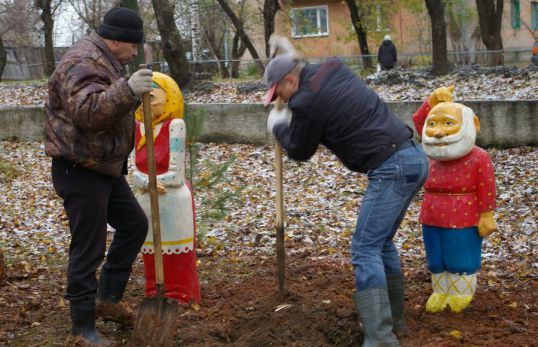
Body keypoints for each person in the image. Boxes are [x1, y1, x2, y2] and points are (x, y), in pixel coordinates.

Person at [264, 53, 428, 346]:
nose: (283, 100)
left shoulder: (305, 102)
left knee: (364, 248)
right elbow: (313, 83)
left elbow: (301, 151)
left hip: (391, 166)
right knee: (381, 243)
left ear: (290, 80)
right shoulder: (332, 67)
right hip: (413, 158)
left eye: (280, 93)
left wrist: (278, 127)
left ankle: (379, 339)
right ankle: (394, 323)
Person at [44, 7, 153, 345]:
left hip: (102, 167)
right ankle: (82, 328)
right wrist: (129, 90)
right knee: (88, 249)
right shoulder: (83, 62)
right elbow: (88, 112)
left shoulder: (106, 61)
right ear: (116, 39)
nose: (135, 52)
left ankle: (107, 298)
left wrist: (128, 91)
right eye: (133, 45)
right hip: (79, 169)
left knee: (134, 225)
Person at [412, 86, 497, 313]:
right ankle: (440, 291)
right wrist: (430, 102)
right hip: (431, 214)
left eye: (448, 123)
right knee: (436, 258)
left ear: (473, 125)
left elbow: (486, 187)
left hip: (463, 215)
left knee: (460, 257)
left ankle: (461, 292)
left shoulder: (478, 157)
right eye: (434, 124)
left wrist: (487, 214)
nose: (439, 132)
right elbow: (421, 126)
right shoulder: (435, 153)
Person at [133, 72, 201, 304]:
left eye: (152, 97)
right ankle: (154, 293)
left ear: (168, 97)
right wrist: (144, 182)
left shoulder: (175, 126)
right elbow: (133, 170)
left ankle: (180, 295)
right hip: (146, 199)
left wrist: (155, 181)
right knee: (151, 251)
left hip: (172, 199)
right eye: (142, 98)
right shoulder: (137, 128)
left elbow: (177, 173)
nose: (146, 103)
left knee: (176, 254)